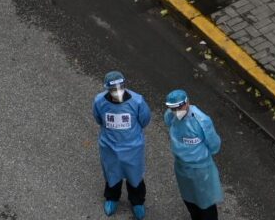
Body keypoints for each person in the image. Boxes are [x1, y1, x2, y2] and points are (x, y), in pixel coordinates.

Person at [93, 71, 151, 219]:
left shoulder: (137, 101)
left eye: (120, 88)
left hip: (133, 147)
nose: (117, 92)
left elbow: (145, 120)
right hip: (109, 147)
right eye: (113, 90)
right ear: (107, 89)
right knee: (112, 174)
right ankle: (112, 198)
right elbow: (99, 119)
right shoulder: (99, 101)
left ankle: (137, 201)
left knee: (135, 176)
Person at [164, 89, 223, 220]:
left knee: (206, 202)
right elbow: (168, 120)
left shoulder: (201, 121)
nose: (176, 111)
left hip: (201, 170)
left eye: (180, 107)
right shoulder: (171, 114)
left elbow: (214, 144)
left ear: (187, 103)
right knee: (189, 198)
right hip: (181, 167)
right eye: (173, 108)